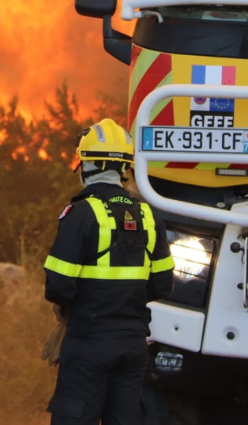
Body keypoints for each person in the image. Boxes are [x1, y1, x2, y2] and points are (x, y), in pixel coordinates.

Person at [43, 118, 174, 425]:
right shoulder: (148, 214)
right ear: (124, 167)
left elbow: (58, 286)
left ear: (87, 165)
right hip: (132, 345)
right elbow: (162, 285)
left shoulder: (80, 213)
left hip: (88, 342)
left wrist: (70, 307)